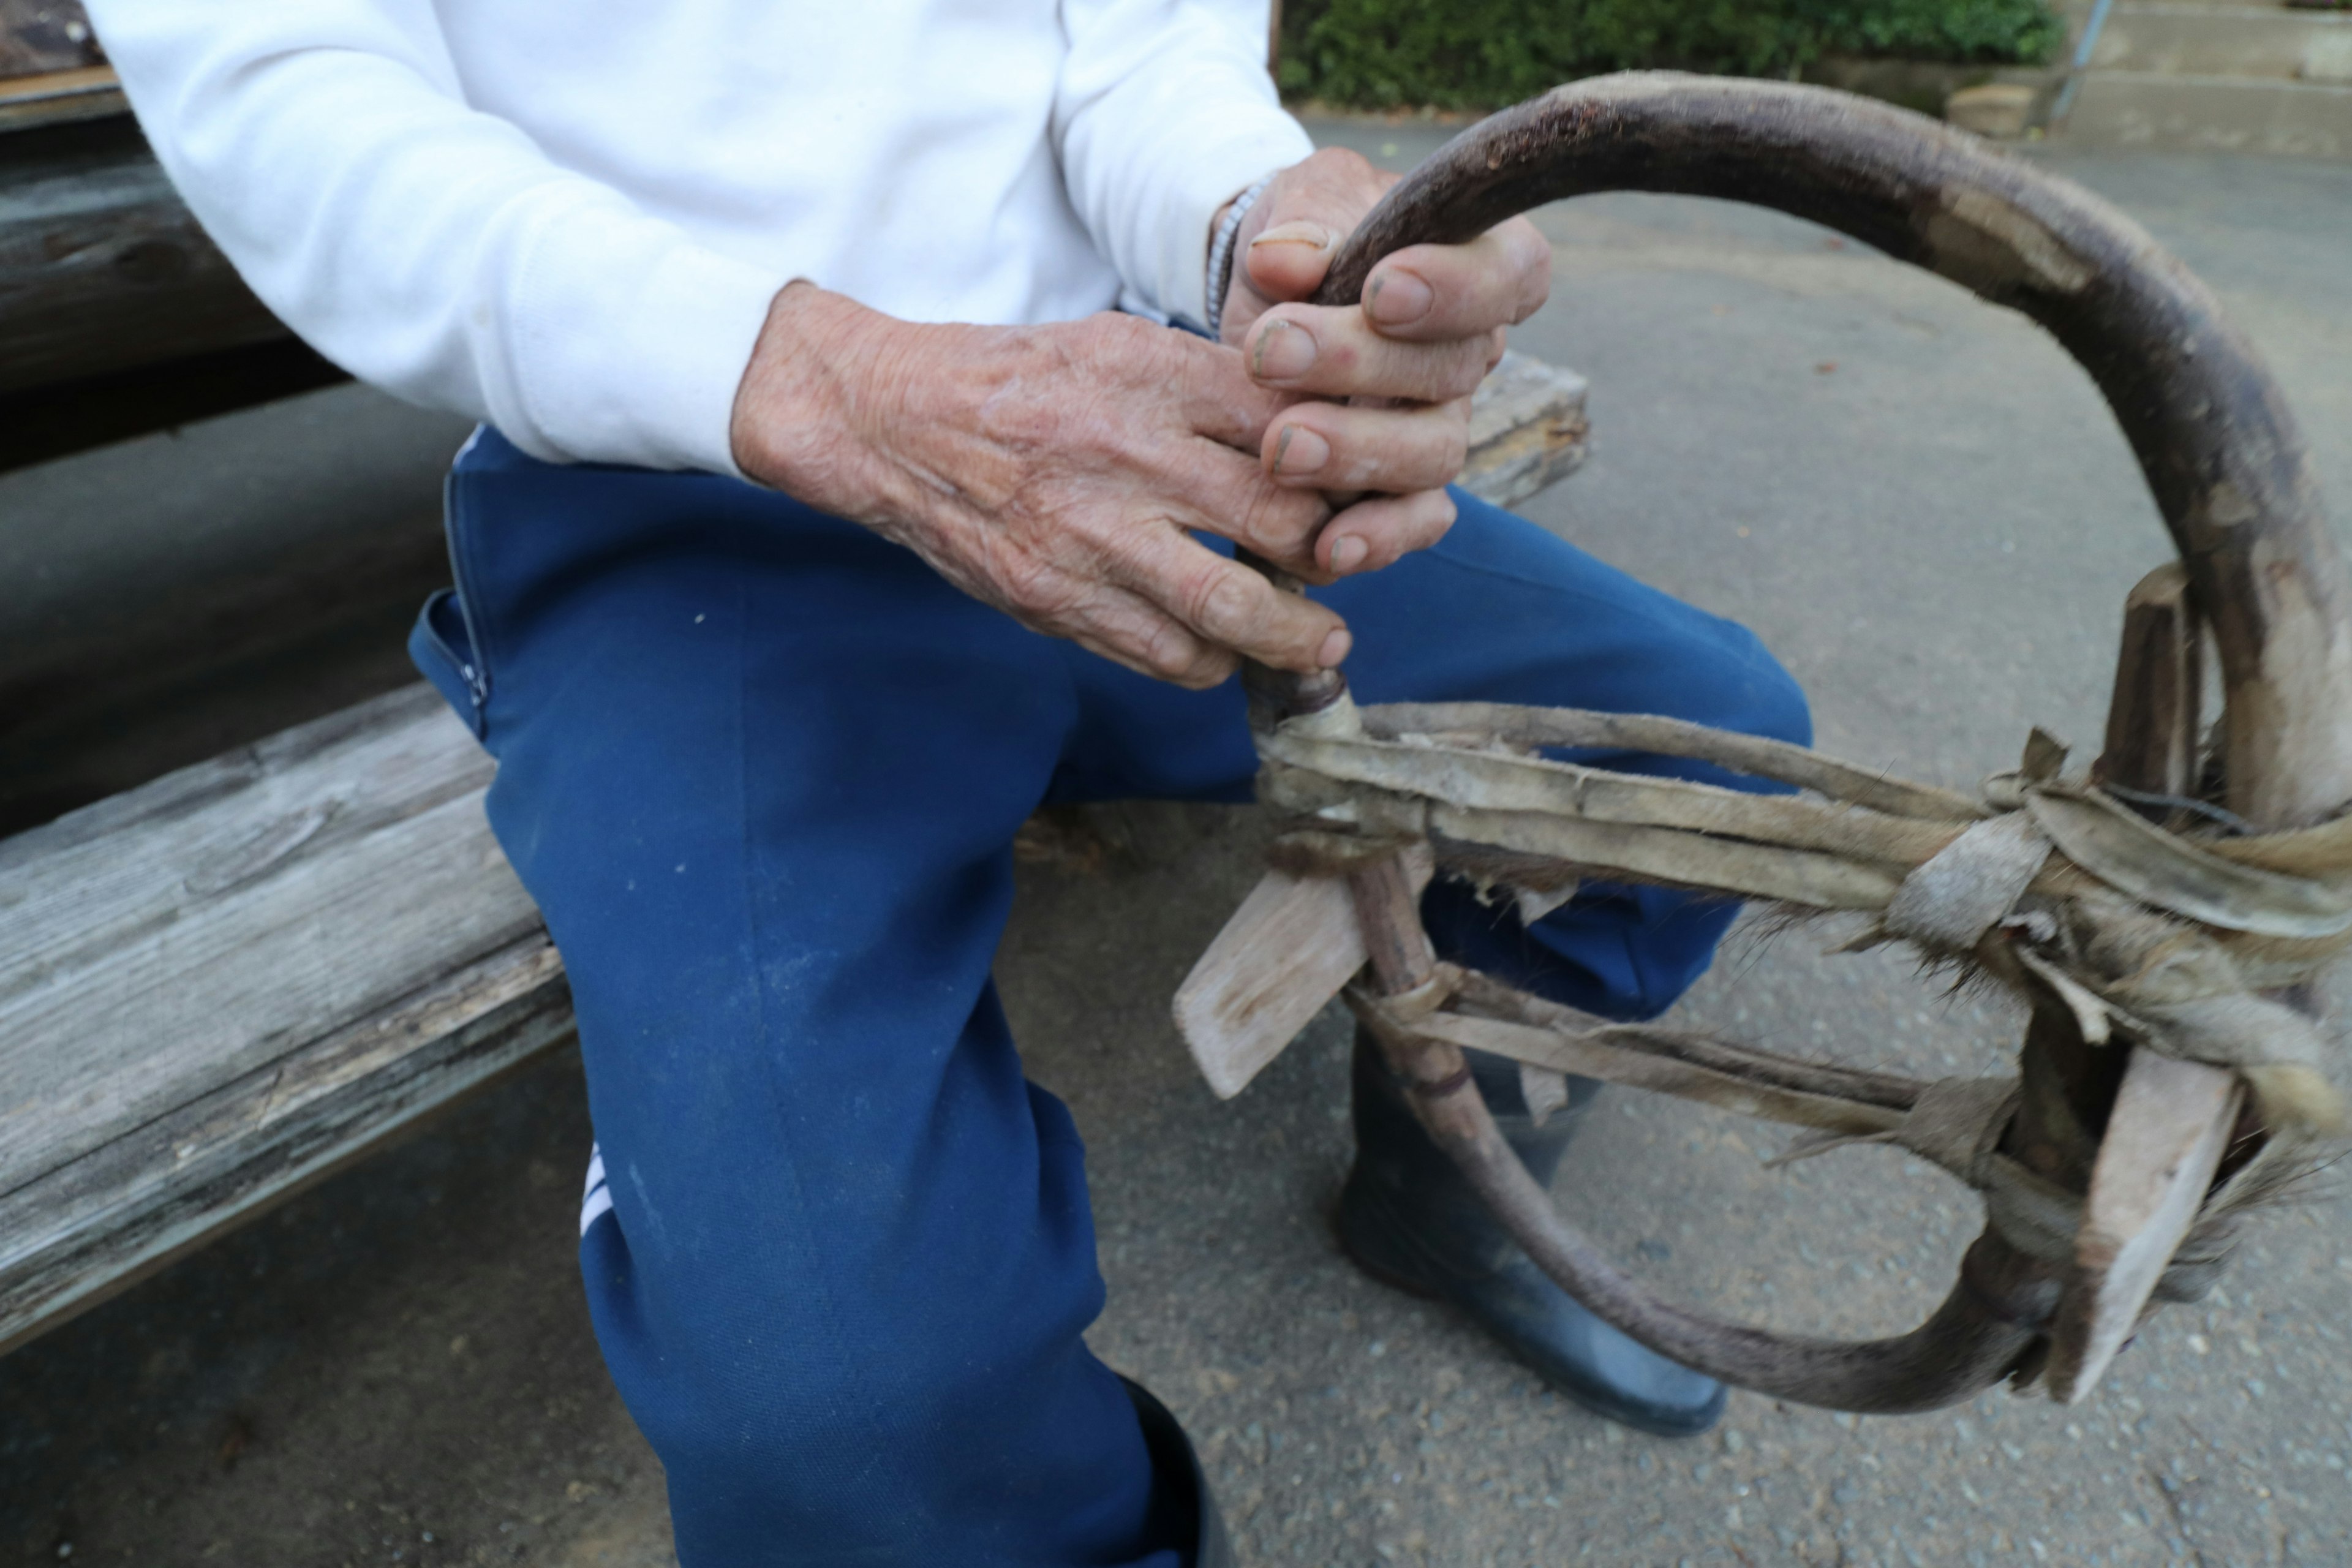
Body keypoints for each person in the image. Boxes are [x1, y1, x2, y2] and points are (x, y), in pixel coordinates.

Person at [91, 1, 1809, 1561]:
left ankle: (1452, 1175)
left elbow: (1138, 59)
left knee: (1701, 742)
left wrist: (1260, 229)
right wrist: (822, 379)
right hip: (665, 480)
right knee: (842, 1413)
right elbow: (303, 108)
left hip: (1128, 400)